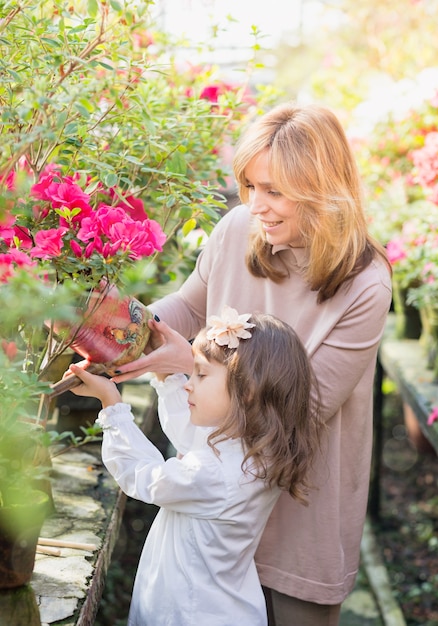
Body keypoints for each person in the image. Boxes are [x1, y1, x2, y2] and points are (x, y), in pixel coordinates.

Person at [113, 102, 393, 626]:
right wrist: (123, 327)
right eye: (249, 186)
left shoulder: (366, 283)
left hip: (300, 500)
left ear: (321, 187)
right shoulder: (239, 227)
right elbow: (188, 306)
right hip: (217, 497)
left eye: (274, 191)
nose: (255, 205)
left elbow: (301, 410)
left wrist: (189, 363)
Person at [67, 307, 322, 626]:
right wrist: (164, 372)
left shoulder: (213, 470)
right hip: (221, 608)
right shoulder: (254, 448)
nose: (189, 383)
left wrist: (111, 405)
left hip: (189, 613)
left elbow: (142, 477)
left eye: (200, 374)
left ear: (247, 391)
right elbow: (191, 434)